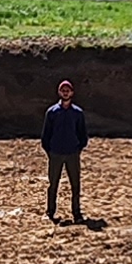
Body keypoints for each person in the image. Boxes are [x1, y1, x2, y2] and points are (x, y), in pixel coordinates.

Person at [40, 80, 88, 223]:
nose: (65, 92)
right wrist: (50, 151)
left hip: (72, 153)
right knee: (53, 183)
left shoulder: (77, 113)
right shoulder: (52, 112)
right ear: (59, 92)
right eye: (63, 90)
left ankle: (77, 213)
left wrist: (78, 148)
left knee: (75, 184)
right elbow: (46, 135)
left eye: (68, 90)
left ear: (72, 93)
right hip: (55, 153)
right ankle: (50, 212)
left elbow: (82, 133)